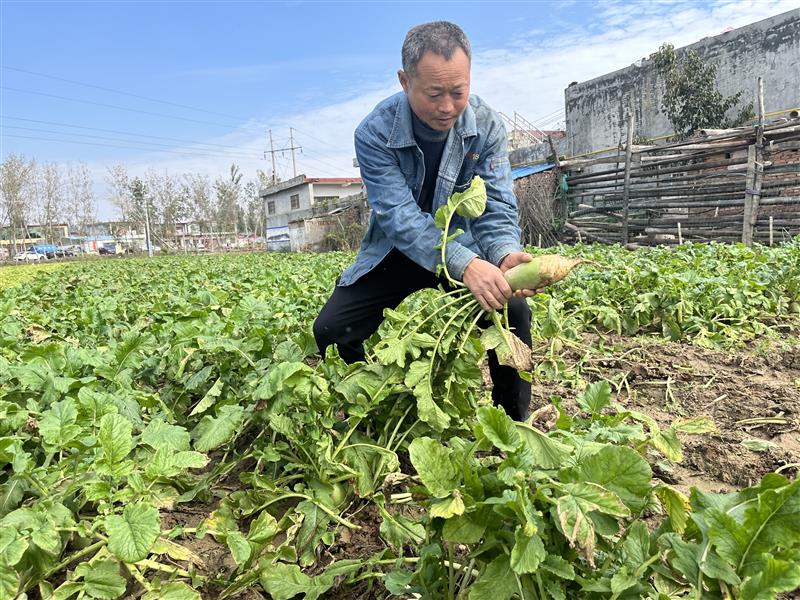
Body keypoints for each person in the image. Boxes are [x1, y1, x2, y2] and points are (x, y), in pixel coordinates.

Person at [313, 21, 536, 421]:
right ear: (404, 81)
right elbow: (399, 219)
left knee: (512, 313)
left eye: (458, 91)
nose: (448, 106)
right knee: (331, 331)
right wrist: (464, 265)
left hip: (468, 248)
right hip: (398, 251)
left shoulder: (486, 126)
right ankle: (366, 409)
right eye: (434, 94)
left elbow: (498, 204)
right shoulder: (374, 132)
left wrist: (503, 254)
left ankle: (513, 428)